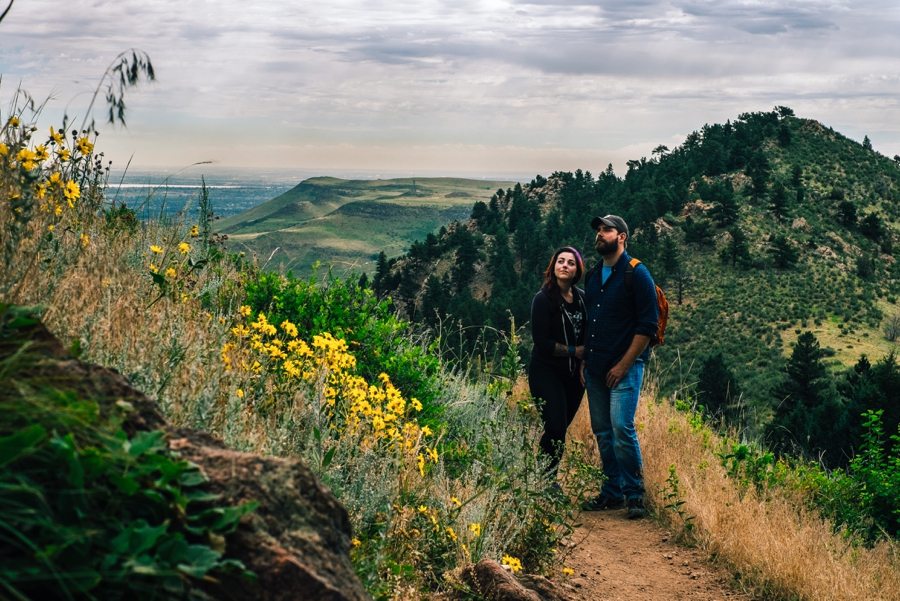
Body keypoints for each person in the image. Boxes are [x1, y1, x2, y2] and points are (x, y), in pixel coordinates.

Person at [580, 215, 658, 519]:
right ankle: (611, 493)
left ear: (622, 237)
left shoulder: (636, 273)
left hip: (625, 368)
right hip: (596, 367)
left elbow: (648, 326)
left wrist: (623, 365)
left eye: (606, 230)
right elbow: (591, 322)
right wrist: (585, 360)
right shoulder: (594, 274)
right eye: (598, 230)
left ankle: (635, 494)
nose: (600, 234)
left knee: (621, 428)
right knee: (602, 431)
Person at [529, 247, 587, 481]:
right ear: (553, 268)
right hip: (546, 372)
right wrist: (577, 352)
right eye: (560, 261)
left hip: (574, 377)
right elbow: (542, 344)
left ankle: (543, 476)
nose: (565, 265)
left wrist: (585, 360)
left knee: (559, 429)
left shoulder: (582, 298)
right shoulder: (543, 299)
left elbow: (589, 332)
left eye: (570, 263)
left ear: (577, 271)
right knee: (554, 426)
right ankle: (545, 478)